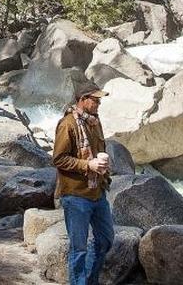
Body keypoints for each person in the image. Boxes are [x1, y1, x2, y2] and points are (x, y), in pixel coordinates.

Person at [52, 82, 113, 285]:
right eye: (95, 100)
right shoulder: (67, 124)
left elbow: (96, 155)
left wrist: (102, 166)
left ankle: (89, 280)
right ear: (82, 100)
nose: (98, 103)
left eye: (99, 100)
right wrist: (88, 165)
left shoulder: (95, 122)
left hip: (97, 192)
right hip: (76, 196)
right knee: (78, 249)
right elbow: (59, 159)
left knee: (105, 240)